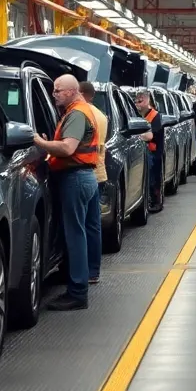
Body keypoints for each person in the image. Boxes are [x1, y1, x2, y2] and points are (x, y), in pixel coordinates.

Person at [34, 75, 101, 309]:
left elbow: (67, 148)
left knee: (75, 236)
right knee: (81, 231)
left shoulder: (77, 114)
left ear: (72, 91)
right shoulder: (79, 111)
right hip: (84, 177)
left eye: (58, 90)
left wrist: (39, 142)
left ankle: (77, 293)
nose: (54, 94)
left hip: (75, 178)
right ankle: (81, 278)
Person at [79, 81, 107, 284]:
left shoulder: (83, 115)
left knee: (81, 226)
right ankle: (93, 270)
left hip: (86, 172)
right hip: (99, 173)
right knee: (93, 225)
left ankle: (83, 270)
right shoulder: (100, 115)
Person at [133, 89, 164, 213]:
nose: (137, 104)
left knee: (153, 179)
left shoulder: (155, 116)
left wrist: (137, 136)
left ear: (148, 101)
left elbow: (150, 136)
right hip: (141, 152)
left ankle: (156, 202)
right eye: (136, 101)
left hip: (153, 153)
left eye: (140, 101)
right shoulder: (136, 115)